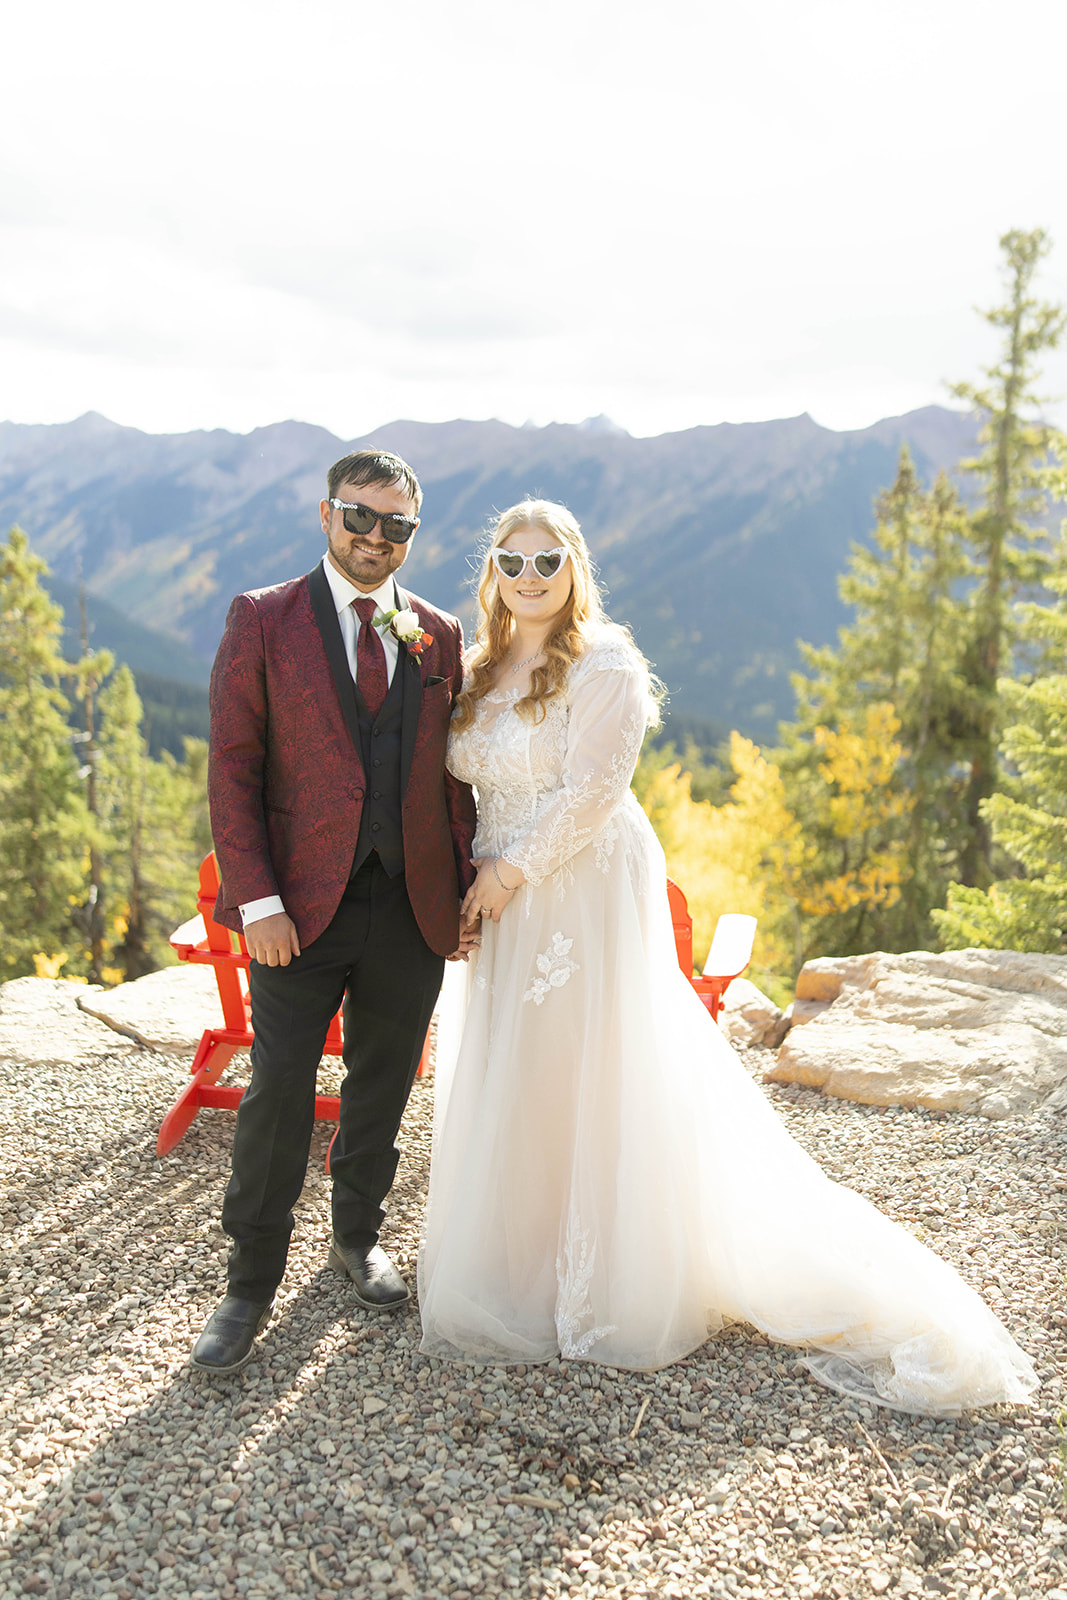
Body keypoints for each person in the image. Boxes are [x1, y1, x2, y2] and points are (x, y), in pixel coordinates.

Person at [417, 498, 1037, 1415]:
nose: (530, 579)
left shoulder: (607, 662)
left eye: (548, 563)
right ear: (491, 574)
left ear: (576, 568)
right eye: (513, 564)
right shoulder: (476, 666)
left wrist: (509, 874)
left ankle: (605, 1275)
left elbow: (595, 790)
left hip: (576, 882)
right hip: (496, 887)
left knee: (586, 1063)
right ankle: (524, 1257)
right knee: (521, 1068)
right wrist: (464, 886)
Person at [192, 449, 478, 1374]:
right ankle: (249, 1281)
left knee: (384, 1080)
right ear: (326, 516)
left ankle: (356, 1238)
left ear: (412, 534)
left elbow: (454, 778)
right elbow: (232, 769)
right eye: (360, 517)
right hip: (295, 913)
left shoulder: (436, 632)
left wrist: (465, 886)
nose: (374, 538)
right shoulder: (263, 618)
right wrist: (260, 902)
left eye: (395, 525)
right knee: (277, 1089)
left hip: (409, 905)